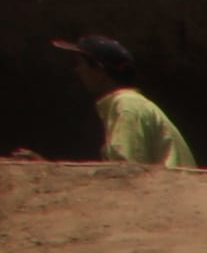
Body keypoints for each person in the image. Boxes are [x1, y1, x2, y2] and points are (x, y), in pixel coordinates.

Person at [51, 36, 192, 170]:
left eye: (80, 64)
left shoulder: (126, 105)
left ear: (99, 71)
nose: (77, 70)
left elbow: (125, 173)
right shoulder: (128, 103)